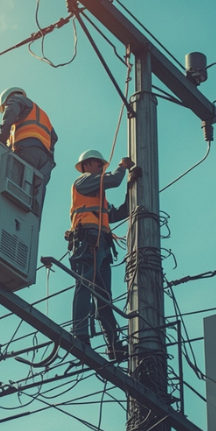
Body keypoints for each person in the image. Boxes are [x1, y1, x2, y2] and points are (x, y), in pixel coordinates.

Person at [68, 149, 135, 361]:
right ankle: (79, 333)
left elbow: (121, 212)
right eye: (98, 164)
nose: (101, 168)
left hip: (102, 245)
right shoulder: (83, 181)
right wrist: (123, 167)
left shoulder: (100, 199)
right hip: (87, 240)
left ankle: (113, 345)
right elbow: (114, 180)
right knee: (85, 284)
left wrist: (132, 185)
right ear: (87, 165)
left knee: (104, 297)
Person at [0, 87, 57, 216]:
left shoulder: (16, 100)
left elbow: (9, 117)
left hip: (26, 150)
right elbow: (54, 138)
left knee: (15, 190)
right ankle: (30, 227)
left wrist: (1, 141)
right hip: (44, 160)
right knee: (35, 198)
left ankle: (10, 218)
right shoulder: (42, 114)